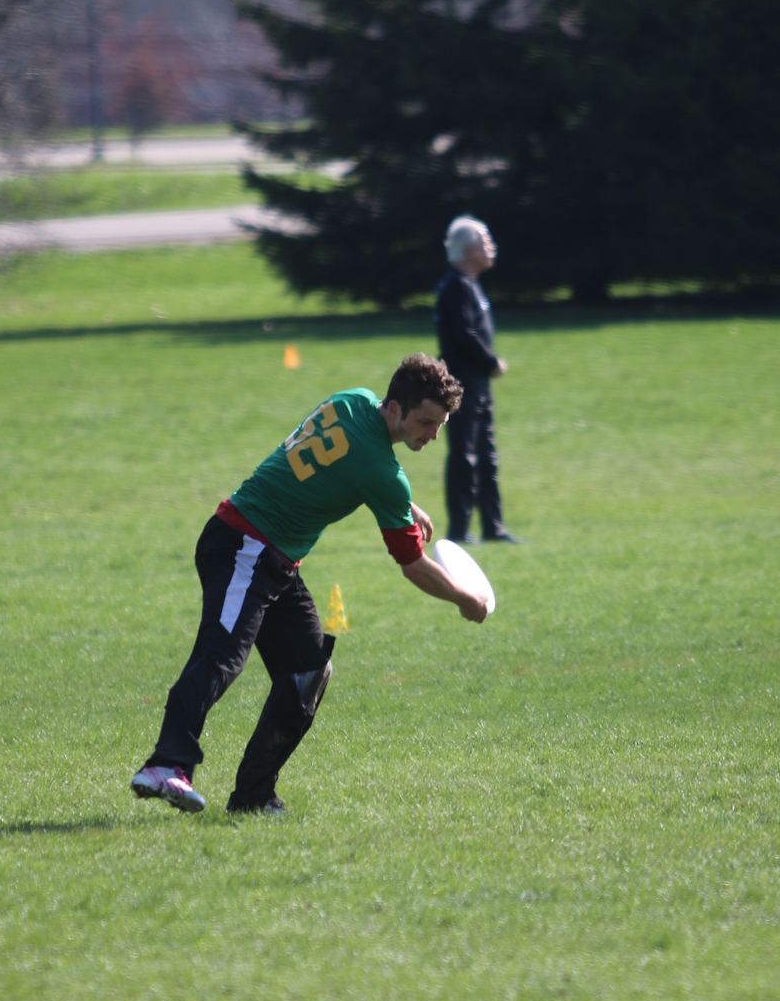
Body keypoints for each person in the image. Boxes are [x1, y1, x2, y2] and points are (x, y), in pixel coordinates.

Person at [132, 354, 487, 815]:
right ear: (396, 408)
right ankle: (166, 764)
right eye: (426, 422)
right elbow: (413, 565)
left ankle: (253, 798)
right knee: (222, 655)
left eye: (440, 425)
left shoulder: (354, 399)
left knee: (307, 671)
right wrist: (464, 597)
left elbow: (346, 462)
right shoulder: (383, 473)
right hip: (244, 545)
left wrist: (404, 504)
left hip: (274, 560)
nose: (433, 435)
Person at [435, 214, 519, 545]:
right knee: (464, 455)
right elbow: (464, 335)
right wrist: (491, 361)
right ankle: (459, 530)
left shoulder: (470, 284)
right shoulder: (455, 286)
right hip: (463, 384)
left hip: (479, 382)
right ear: (469, 250)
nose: (492, 247)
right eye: (486, 242)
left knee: (486, 454)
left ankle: (493, 527)